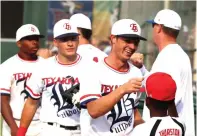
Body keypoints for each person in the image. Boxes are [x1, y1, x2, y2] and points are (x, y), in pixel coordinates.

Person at [17, 19, 87, 136]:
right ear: (55, 42)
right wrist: (20, 134)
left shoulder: (91, 67)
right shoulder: (44, 67)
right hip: (51, 130)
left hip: (81, 130)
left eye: (73, 38)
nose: (70, 44)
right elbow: (31, 103)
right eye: (64, 39)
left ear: (78, 39)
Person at [130, 9, 194, 136]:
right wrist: (141, 69)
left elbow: (167, 97)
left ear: (158, 28)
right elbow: (159, 85)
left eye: (153, 25)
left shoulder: (168, 57)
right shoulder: (178, 54)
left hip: (166, 131)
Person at [79, 19, 147, 136]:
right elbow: (93, 110)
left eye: (135, 42)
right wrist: (122, 89)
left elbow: (133, 112)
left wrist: (147, 128)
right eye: (127, 40)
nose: (132, 46)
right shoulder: (93, 70)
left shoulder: (136, 73)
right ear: (113, 39)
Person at [0, 24, 45, 136]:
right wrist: (13, 127)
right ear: (19, 43)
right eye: (29, 39)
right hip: (15, 121)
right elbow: (2, 100)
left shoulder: (47, 65)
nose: (34, 42)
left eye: (36, 39)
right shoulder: (7, 66)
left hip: (41, 124)